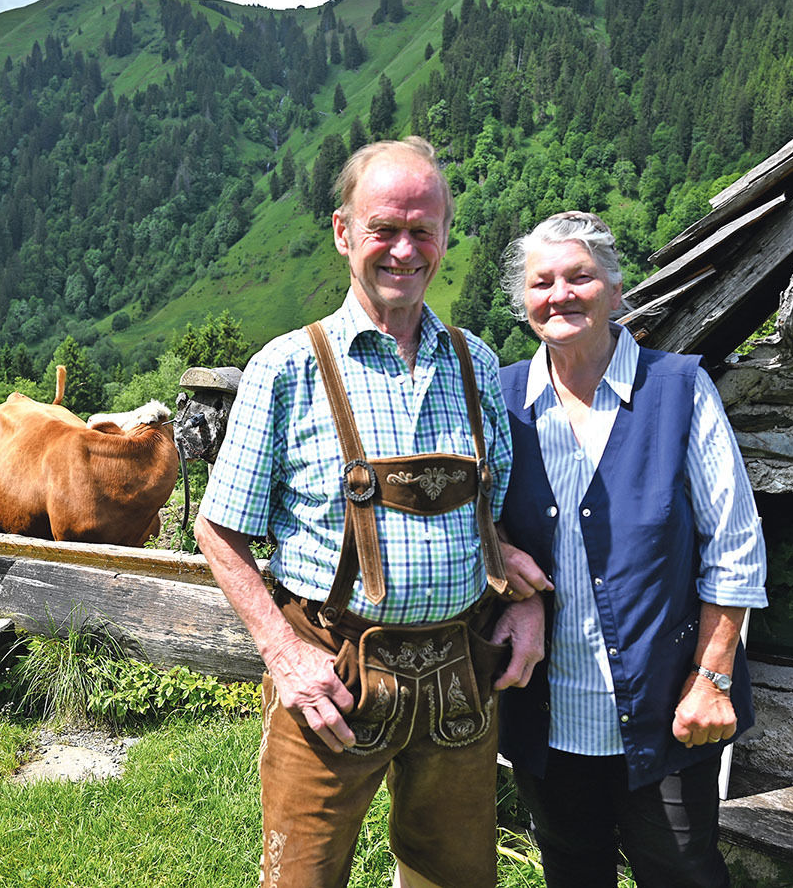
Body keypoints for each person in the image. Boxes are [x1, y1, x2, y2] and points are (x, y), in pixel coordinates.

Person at [195, 137, 549, 888]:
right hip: (330, 673)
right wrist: (282, 655)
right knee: (304, 876)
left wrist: (523, 605)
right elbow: (216, 529)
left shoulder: (476, 362)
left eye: (422, 230)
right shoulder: (287, 366)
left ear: (446, 237)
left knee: (454, 878)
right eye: (383, 227)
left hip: (460, 671)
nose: (403, 249)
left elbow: (492, 510)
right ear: (342, 232)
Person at [495, 211, 768, 888]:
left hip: (666, 712)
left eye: (579, 276)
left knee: (681, 872)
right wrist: (496, 551)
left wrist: (712, 679)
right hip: (546, 714)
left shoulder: (677, 388)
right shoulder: (499, 401)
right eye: (541, 282)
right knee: (571, 870)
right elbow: (467, 515)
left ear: (615, 292)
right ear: (522, 301)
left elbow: (734, 544)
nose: (559, 294)